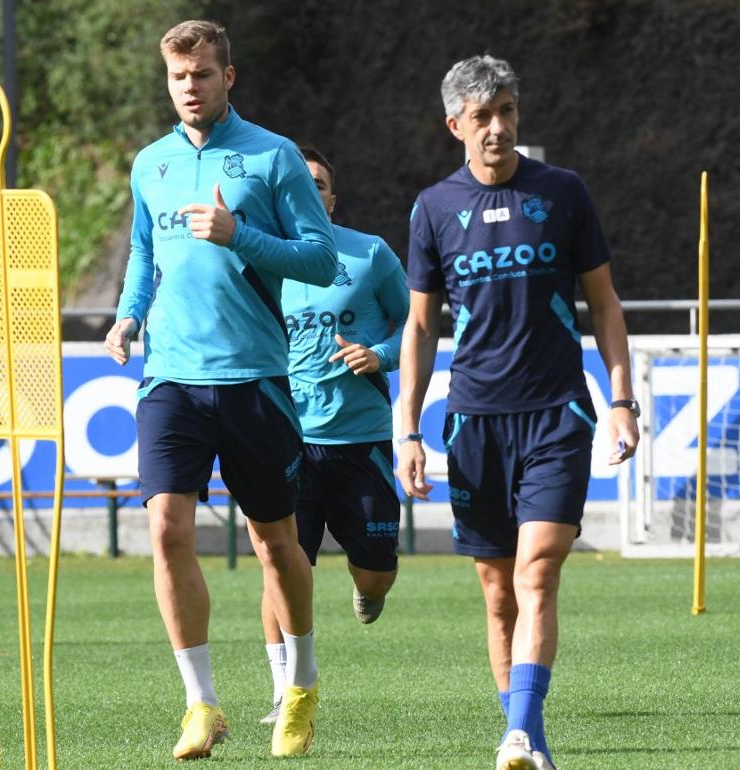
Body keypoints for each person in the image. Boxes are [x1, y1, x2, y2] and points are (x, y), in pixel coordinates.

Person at [394, 55, 640, 770]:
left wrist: (620, 399)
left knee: (538, 571)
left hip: (558, 412)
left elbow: (604, 304)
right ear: (455, 127)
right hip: (474, 421)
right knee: (498, 592)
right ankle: (523, 739)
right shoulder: (433, 208)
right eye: (482, 118)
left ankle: (521, 733)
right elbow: (418, 327)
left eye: (506, 112)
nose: (497, 128)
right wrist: (405, 426)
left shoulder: (563, 193)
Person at [104, 19, 336, 760]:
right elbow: (144, 251)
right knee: (166, 528)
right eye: (178, 77)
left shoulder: (272, 158)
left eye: (202, 75)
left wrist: (242, 236)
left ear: (227, 78)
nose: (190, 88)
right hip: (170, 375)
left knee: (275, 545)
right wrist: (127, 315)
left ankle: (298, 685)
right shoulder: (151, 165)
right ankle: (200, 704)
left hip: (255, 380)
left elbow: (322, 260)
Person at [258, 145, 409, 723]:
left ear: (331, 197)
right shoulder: (266, 261)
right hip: (289, 437)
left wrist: (381, 354)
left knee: (376, 569)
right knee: (280, 560)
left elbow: (415, 323)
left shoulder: (370, 254)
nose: (309, 190)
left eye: (317, 182)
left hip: (363, 438)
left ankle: (369, 590)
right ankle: (283, 689)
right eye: (299, 182)